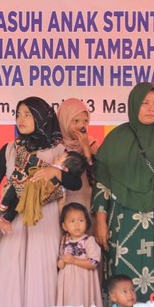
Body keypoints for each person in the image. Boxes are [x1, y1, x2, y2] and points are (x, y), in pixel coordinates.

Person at [0, 97, 81, 307]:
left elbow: (75, 183)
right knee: (8, 273)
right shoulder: (9, 149)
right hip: (11, 223)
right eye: (18, 114)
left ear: (42, 118)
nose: (21, 120)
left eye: (28, 114)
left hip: (44, 218)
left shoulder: (58, 151)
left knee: (41, 276)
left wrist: (55, 172)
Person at [93, 82, 154, 303]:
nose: (151, 108)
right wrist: (101, 222)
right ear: (134, 105)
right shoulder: (116, 139)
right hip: (123, 222)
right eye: (145, 103)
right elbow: (102, 185)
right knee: (122, 277)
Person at [0, 150, 87, 224]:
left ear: (64, 168)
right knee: (18, 202)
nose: (56, 158)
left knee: (15, 188)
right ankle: (7, 217)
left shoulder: (56, 171)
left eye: (59, 158)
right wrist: (61, 216)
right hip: (32, 194)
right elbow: (61, 202)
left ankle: (4, 204)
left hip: (30, 187)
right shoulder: (62, 186)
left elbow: (77, 185)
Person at [57, 98, 99, 232]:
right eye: (75, 121)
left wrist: (86, 149)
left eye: (85, 121)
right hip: (62, 203)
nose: (81, 126)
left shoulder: (92, 144)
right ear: (64, 120)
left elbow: (100, 177)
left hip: (87, 202)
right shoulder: (55, 146)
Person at [55, 202, 102, 307]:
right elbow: (61, 259)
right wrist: (60, 263)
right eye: (72, 221)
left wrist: (74, 260)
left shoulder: (89, 241)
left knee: (82, 304)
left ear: (87, 222)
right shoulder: (64, 241)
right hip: (68, 283)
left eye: (81, 220)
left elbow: (94, 263)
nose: (77, 224)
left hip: (83, 281)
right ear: (64, 226)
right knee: (69, 306)